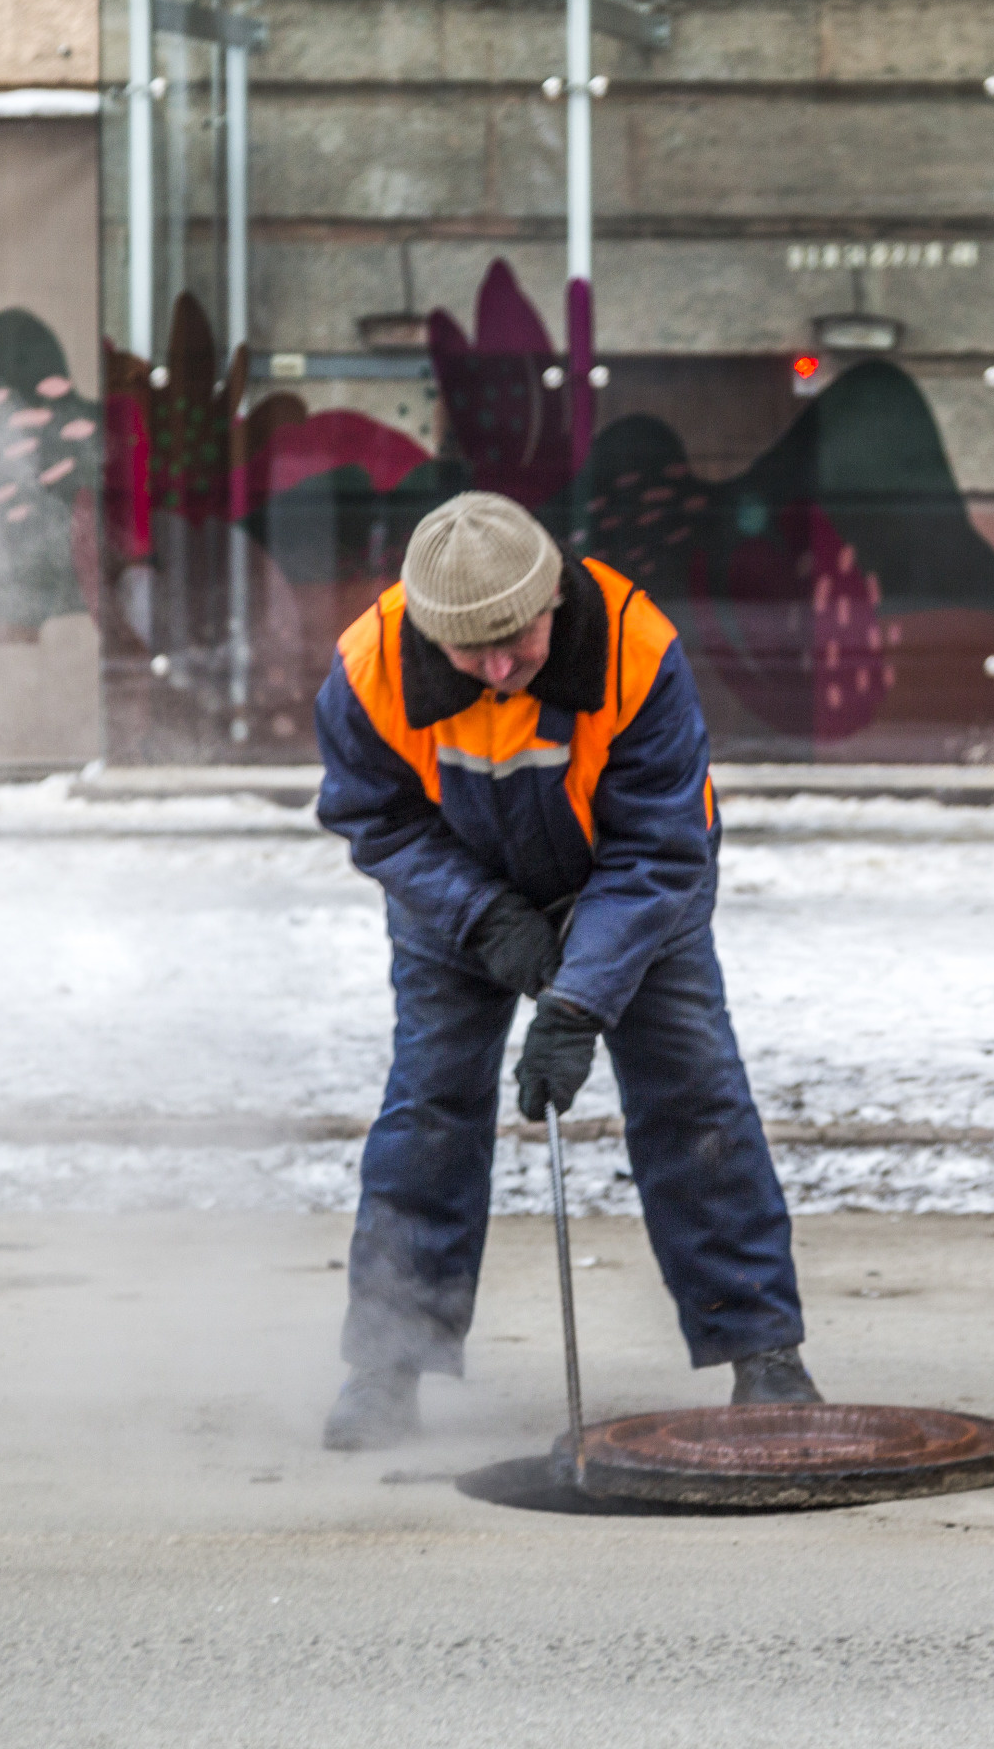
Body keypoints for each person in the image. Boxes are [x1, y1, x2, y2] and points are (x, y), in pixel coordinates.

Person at [311, 491, 818, 1449]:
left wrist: (579, 1000)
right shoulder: (367, 668)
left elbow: (661, 852)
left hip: (633, 890)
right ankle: (384, 1366)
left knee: (695, 1102)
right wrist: (484, 917)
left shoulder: (636, 648)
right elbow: (376, 820)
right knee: (429, 1109)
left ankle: (766, 1355)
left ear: (552, 600)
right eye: (472, 652)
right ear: (427, 632)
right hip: (456, 898)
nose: (500, 670)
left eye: (518, 640)